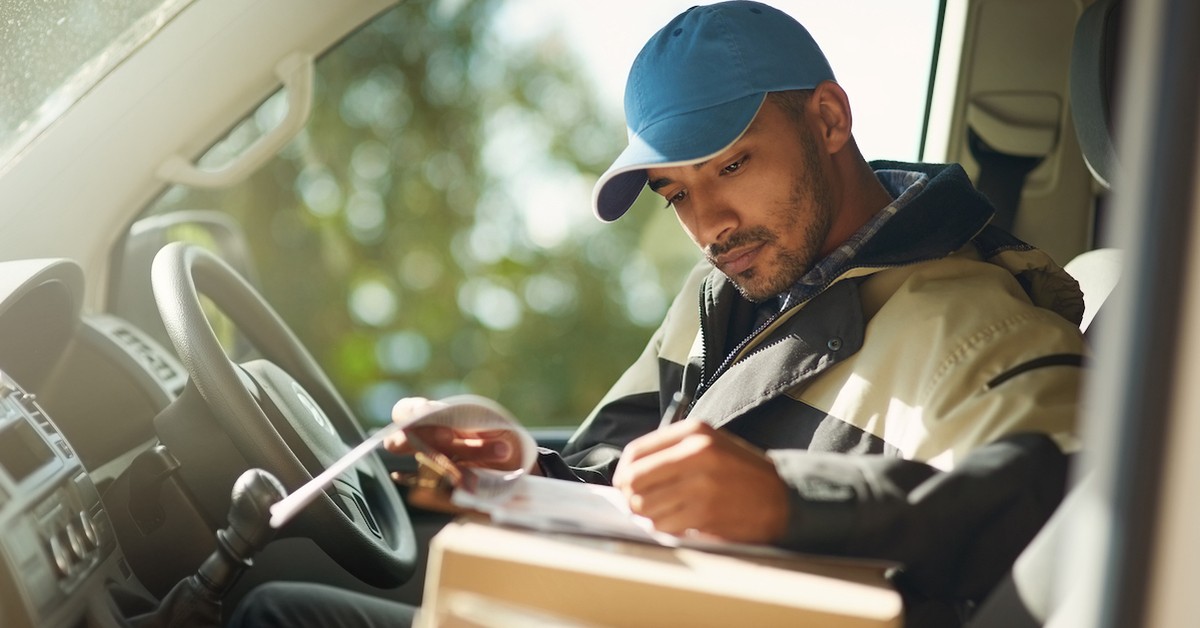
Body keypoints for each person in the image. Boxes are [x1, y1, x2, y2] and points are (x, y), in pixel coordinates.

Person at [230, 2, 1086, 625]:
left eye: (731, 164)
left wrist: (794, 502)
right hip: (625, 604)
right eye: (676, 193)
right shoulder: (724, 294)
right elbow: (614, 476)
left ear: (828, 118)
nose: (708, 225)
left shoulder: (979, 324)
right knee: (282, 607)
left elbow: (1072, 506)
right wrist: (518, 469)